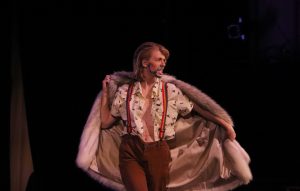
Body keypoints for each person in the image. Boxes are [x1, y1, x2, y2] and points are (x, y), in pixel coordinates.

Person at [76, 42, 252, 191]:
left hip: (158, 151)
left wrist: (224, 123)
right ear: (145, 62)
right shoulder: (125, 92)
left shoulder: (170, 91)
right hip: (130, 150)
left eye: (164, 60)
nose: (163, 63)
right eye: (159, 59)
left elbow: (197, 107)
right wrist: (106, 94)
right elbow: (106, 122)